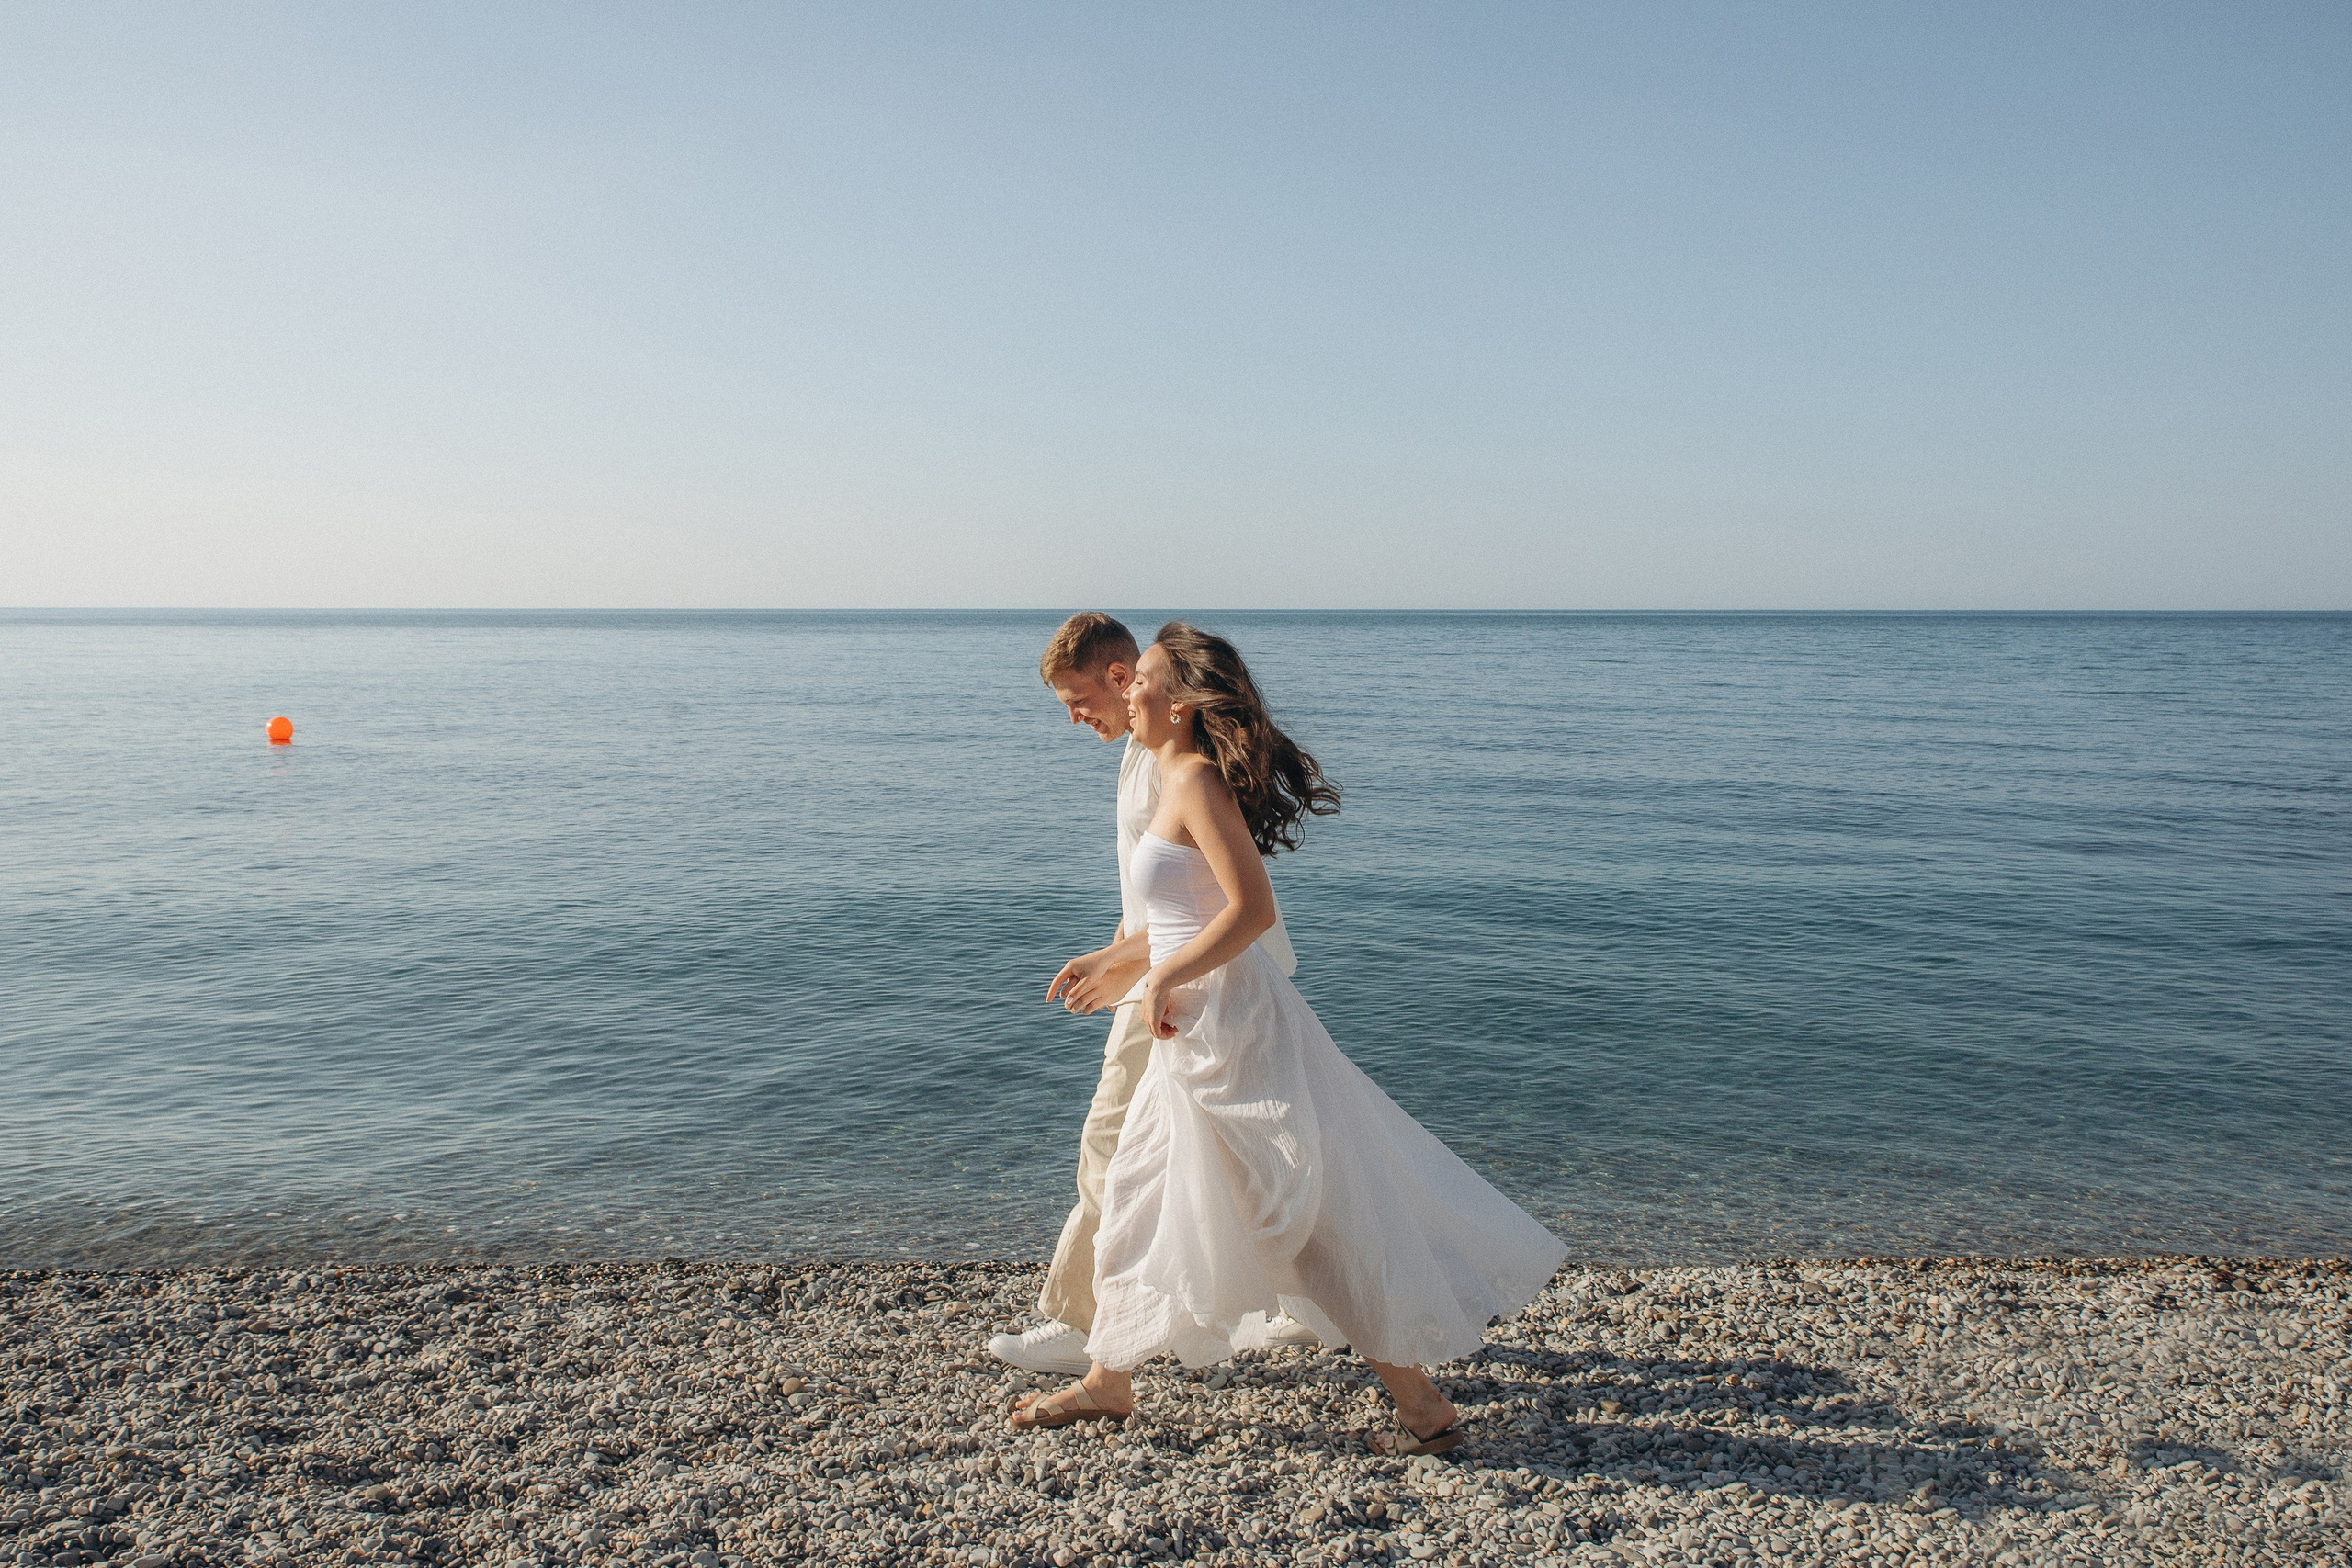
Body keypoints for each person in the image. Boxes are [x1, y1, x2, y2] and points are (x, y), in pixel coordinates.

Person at [1008, 623, 1566, 1455]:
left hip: (1231, 1026)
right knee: (1136, 1196)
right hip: (1193, 1027)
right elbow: (1179, 909)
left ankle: (1424, 1412)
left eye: (1143, 682)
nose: (1129, 693)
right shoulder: (1165, 776)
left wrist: (1159, 978)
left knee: (1307, 1222)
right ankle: (1108, 1380)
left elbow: (1252, 911)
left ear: (1183, 701)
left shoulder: (1194, 779)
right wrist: (1122, 956)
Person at [986, 614, 1318, 1377]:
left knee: (1116, 1147)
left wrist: (1144, 970)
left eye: (1079, 698)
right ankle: (1312, 1302)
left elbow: (1215, 902)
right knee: (1248, 1153)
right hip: (1184, 974)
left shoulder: (1173, 761)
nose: (1075, 717)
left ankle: (1087, 1328)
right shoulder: (1147, 753)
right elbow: (1166, 894)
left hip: (1195, 981)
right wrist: (1114, 954)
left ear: (1118, 676)